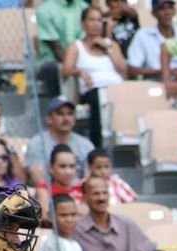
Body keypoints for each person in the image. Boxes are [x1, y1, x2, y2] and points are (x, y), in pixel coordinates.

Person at [61, 5, 127, 148]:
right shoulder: (76, 46)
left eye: (99, 20)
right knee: (98, 99)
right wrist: (79, 71)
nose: (96, 24)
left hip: (116, 90)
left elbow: (123, 70)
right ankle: (97, 146)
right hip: (93, 90)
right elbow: (65, 70)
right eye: (92, 20)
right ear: (83, 24)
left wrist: (107, 47)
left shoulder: (111, 45)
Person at [74, 176, 156, 251]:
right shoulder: (76, 230)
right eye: (96, 194)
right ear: (84, 198)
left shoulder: (126, 225)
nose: (101, 198)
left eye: (104, 193)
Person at [23, 96, 95, 183]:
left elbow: (91, 177)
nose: (66, 118)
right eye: (60, 114)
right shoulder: (37, 143)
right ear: (49, 119)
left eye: (70, 114)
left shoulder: (86, 145)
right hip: (48, 193)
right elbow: (38, 178)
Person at [128, 0, 177, 83]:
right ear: (154, 13)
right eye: (162, 9)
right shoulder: (143, 35)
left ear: (174, 11)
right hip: (155, 85)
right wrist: (164, 71)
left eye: (170, 8)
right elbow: (132, 70)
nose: (167, 12)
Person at [35, 0, 86, 97]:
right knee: (51, 69)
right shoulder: (44, 10)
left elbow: (86, 41)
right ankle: (59, 107)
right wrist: (71, 67)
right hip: (53, 60)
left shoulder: (85, 8)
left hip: (80, 58)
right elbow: (55, 46)